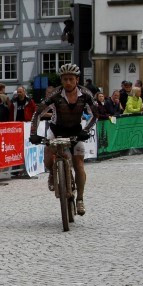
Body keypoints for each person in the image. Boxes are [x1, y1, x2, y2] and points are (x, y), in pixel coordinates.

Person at [29, 63, 97, 216]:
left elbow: (96, 115)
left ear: (77, 79)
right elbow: (38, 113)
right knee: (48, 156)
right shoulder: (55, 95)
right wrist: (33, 133)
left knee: (79, 164)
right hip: (56, 130)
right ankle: (53, 174)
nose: (67, 82)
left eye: (71, 79)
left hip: (75, 132)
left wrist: (86, 131)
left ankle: (80, 199)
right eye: (64, 79)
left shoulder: (85, 94)